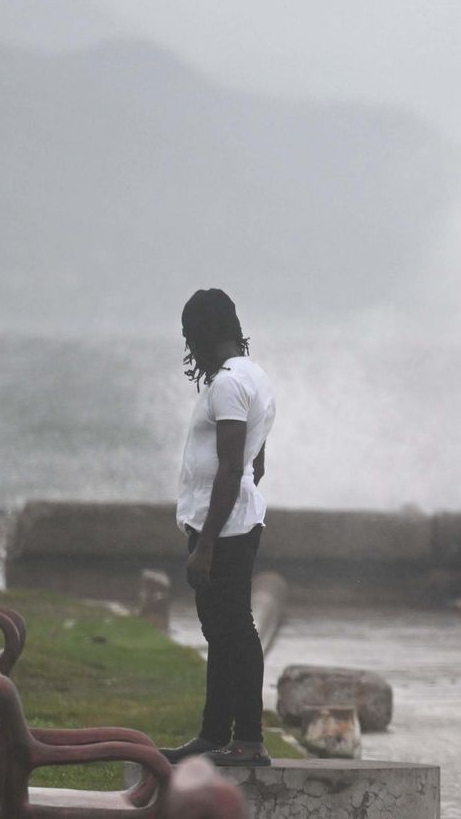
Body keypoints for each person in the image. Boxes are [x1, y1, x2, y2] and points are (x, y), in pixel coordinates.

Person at [160, 289, 276, 767]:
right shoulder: (254, 375)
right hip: (234, 521)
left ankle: (247, 739)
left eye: (190, 337)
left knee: (235, 629)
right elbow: (257, 459)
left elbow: (232, 468)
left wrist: (205, 544)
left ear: (206, 335)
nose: (189, 348)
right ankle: (213, 735)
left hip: (223, 530)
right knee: (222, 630)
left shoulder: (227, 384)